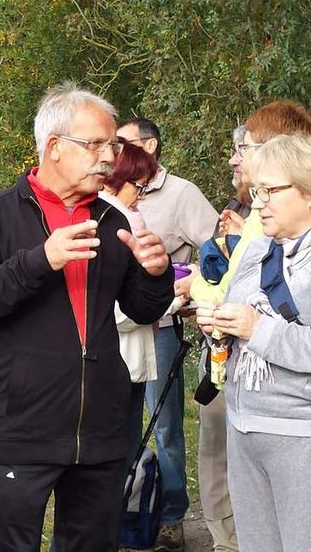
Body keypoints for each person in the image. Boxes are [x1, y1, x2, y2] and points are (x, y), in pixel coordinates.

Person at [0, 82, 174, 552]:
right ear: (53, 147)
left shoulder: (114, 221)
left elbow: (141, 307)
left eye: (112, 144)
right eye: (95, 144)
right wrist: (41, 260)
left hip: (101, 425)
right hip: (26, 422)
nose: (109, 157)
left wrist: (157, 273)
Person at [196, 135, 311, 552]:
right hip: (246, 428)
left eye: (271, 191)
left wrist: (256, 329)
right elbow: (242, 326)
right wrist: (218, 327)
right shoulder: (260, 247)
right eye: (257, 190)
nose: (259, 202)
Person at [184, 101, 311, 552]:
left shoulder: (294, 229)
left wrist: (205, 298)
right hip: (234, 370)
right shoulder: (253, 216)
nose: (236, 157)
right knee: (223, 466)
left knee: (257, 491)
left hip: (269, 385)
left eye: (247, 147)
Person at [117, 116, 218, 552]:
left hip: (161, 327)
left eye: (123, 142)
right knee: (118, 425)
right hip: (116, 332)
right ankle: (124, 510)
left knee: (165, 428)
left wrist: (195, 281)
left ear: (151, 146)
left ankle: (171, 519)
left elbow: (221, 246)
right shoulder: (107, 192)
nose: (112, 149)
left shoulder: (182, 193)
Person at [97, 142, 161, 474]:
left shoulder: (132, 218)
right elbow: (108, 305)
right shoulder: (110, 223)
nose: (142, 195)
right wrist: (168, 300)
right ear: (115, 179)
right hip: (114, 359)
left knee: (128, 452)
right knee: (117, 460)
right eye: (138, 186)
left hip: (132, 358)